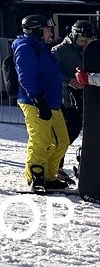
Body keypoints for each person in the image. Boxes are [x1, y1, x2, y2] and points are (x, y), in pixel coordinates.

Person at [13, 14, 71, 190]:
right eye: (47, 29)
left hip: (52, 101)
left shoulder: (42, 47)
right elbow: (25, 76)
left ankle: (49, 176)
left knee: (61, 141)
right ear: (37, 30)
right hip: (35, 102)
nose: (50, 32)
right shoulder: (25, 47)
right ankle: (35, 176)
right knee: (41, 140)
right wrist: (38, 99)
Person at [52, 20, 92, 182]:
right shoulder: (60, 51)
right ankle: (56, 166)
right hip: (67, 98)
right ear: (74, 36)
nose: (85, 43)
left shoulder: (90, 49)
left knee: (90, 132)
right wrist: (68, 80)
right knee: (69, 132)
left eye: (87, 40)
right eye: (82, 40)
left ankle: (86, 165)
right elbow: (51, 72)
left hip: (88, 97)